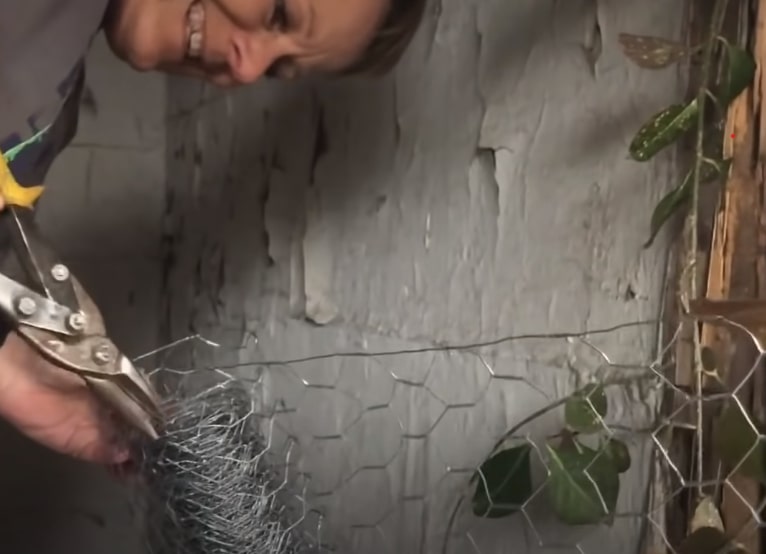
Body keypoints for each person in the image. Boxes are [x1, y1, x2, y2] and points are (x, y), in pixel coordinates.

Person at [0, 0, 425, 465]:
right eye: (280, 13)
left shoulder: (52, 123)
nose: (247, 70)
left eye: (279, 67)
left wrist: (12, 374)